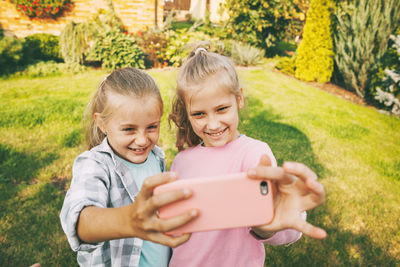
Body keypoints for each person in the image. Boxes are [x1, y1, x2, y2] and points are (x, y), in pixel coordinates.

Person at [168, 46, 327, 267]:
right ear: (187, 112)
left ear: (239, 99)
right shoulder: (181, 161)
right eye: (199, 114)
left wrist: (268, 225)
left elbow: (281, 224)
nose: (213, 124)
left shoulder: (254, 155)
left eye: (222, 109)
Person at [60, 67, 198, 267]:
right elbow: (81, 221)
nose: (142, 140)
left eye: (152, 126)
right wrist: (130, 221)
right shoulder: (95, 164)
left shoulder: (156, 157)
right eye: (128, 129)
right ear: (102, 123)